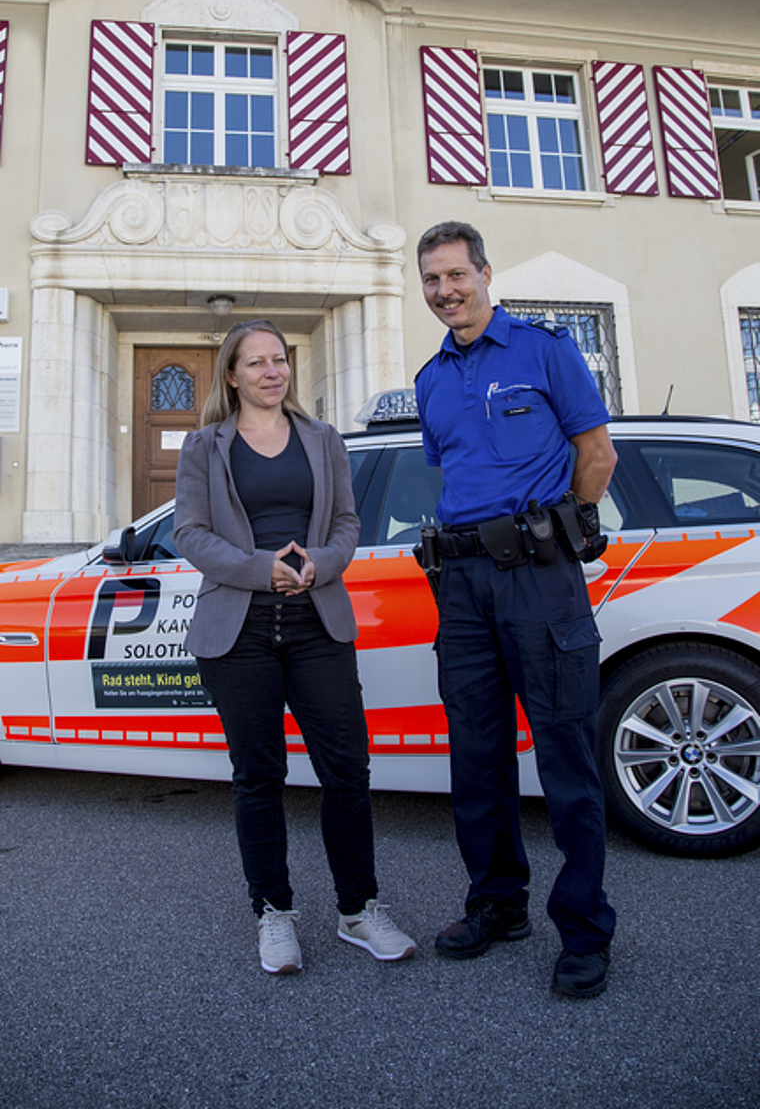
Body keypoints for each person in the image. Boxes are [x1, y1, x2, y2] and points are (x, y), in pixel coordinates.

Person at [174, 319, 416, 975]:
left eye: (278, 359)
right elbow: (190, 533)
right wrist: (262, 569)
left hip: (317, 622)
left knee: (347, 770)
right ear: (232, 375)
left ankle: (359, 909)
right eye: (255, 363)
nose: (270, 371)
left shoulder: (323, 439)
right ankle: (273, 913)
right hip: (240, 629)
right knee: (259, 777)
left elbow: (346, 522)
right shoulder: (204, 446)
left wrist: (323, 564)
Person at [414, 222, 617, 998]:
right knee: (477, 756)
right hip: (462, 586)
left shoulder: (545, 350)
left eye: (456, 276)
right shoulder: (432, 379)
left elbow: (596, 454)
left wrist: (560, 528)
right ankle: (497, 906)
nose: (445, 291)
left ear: (485, 273)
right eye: (432, 280)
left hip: (539, 576)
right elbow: (453, 473)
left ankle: (585, 930)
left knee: (565, 759)